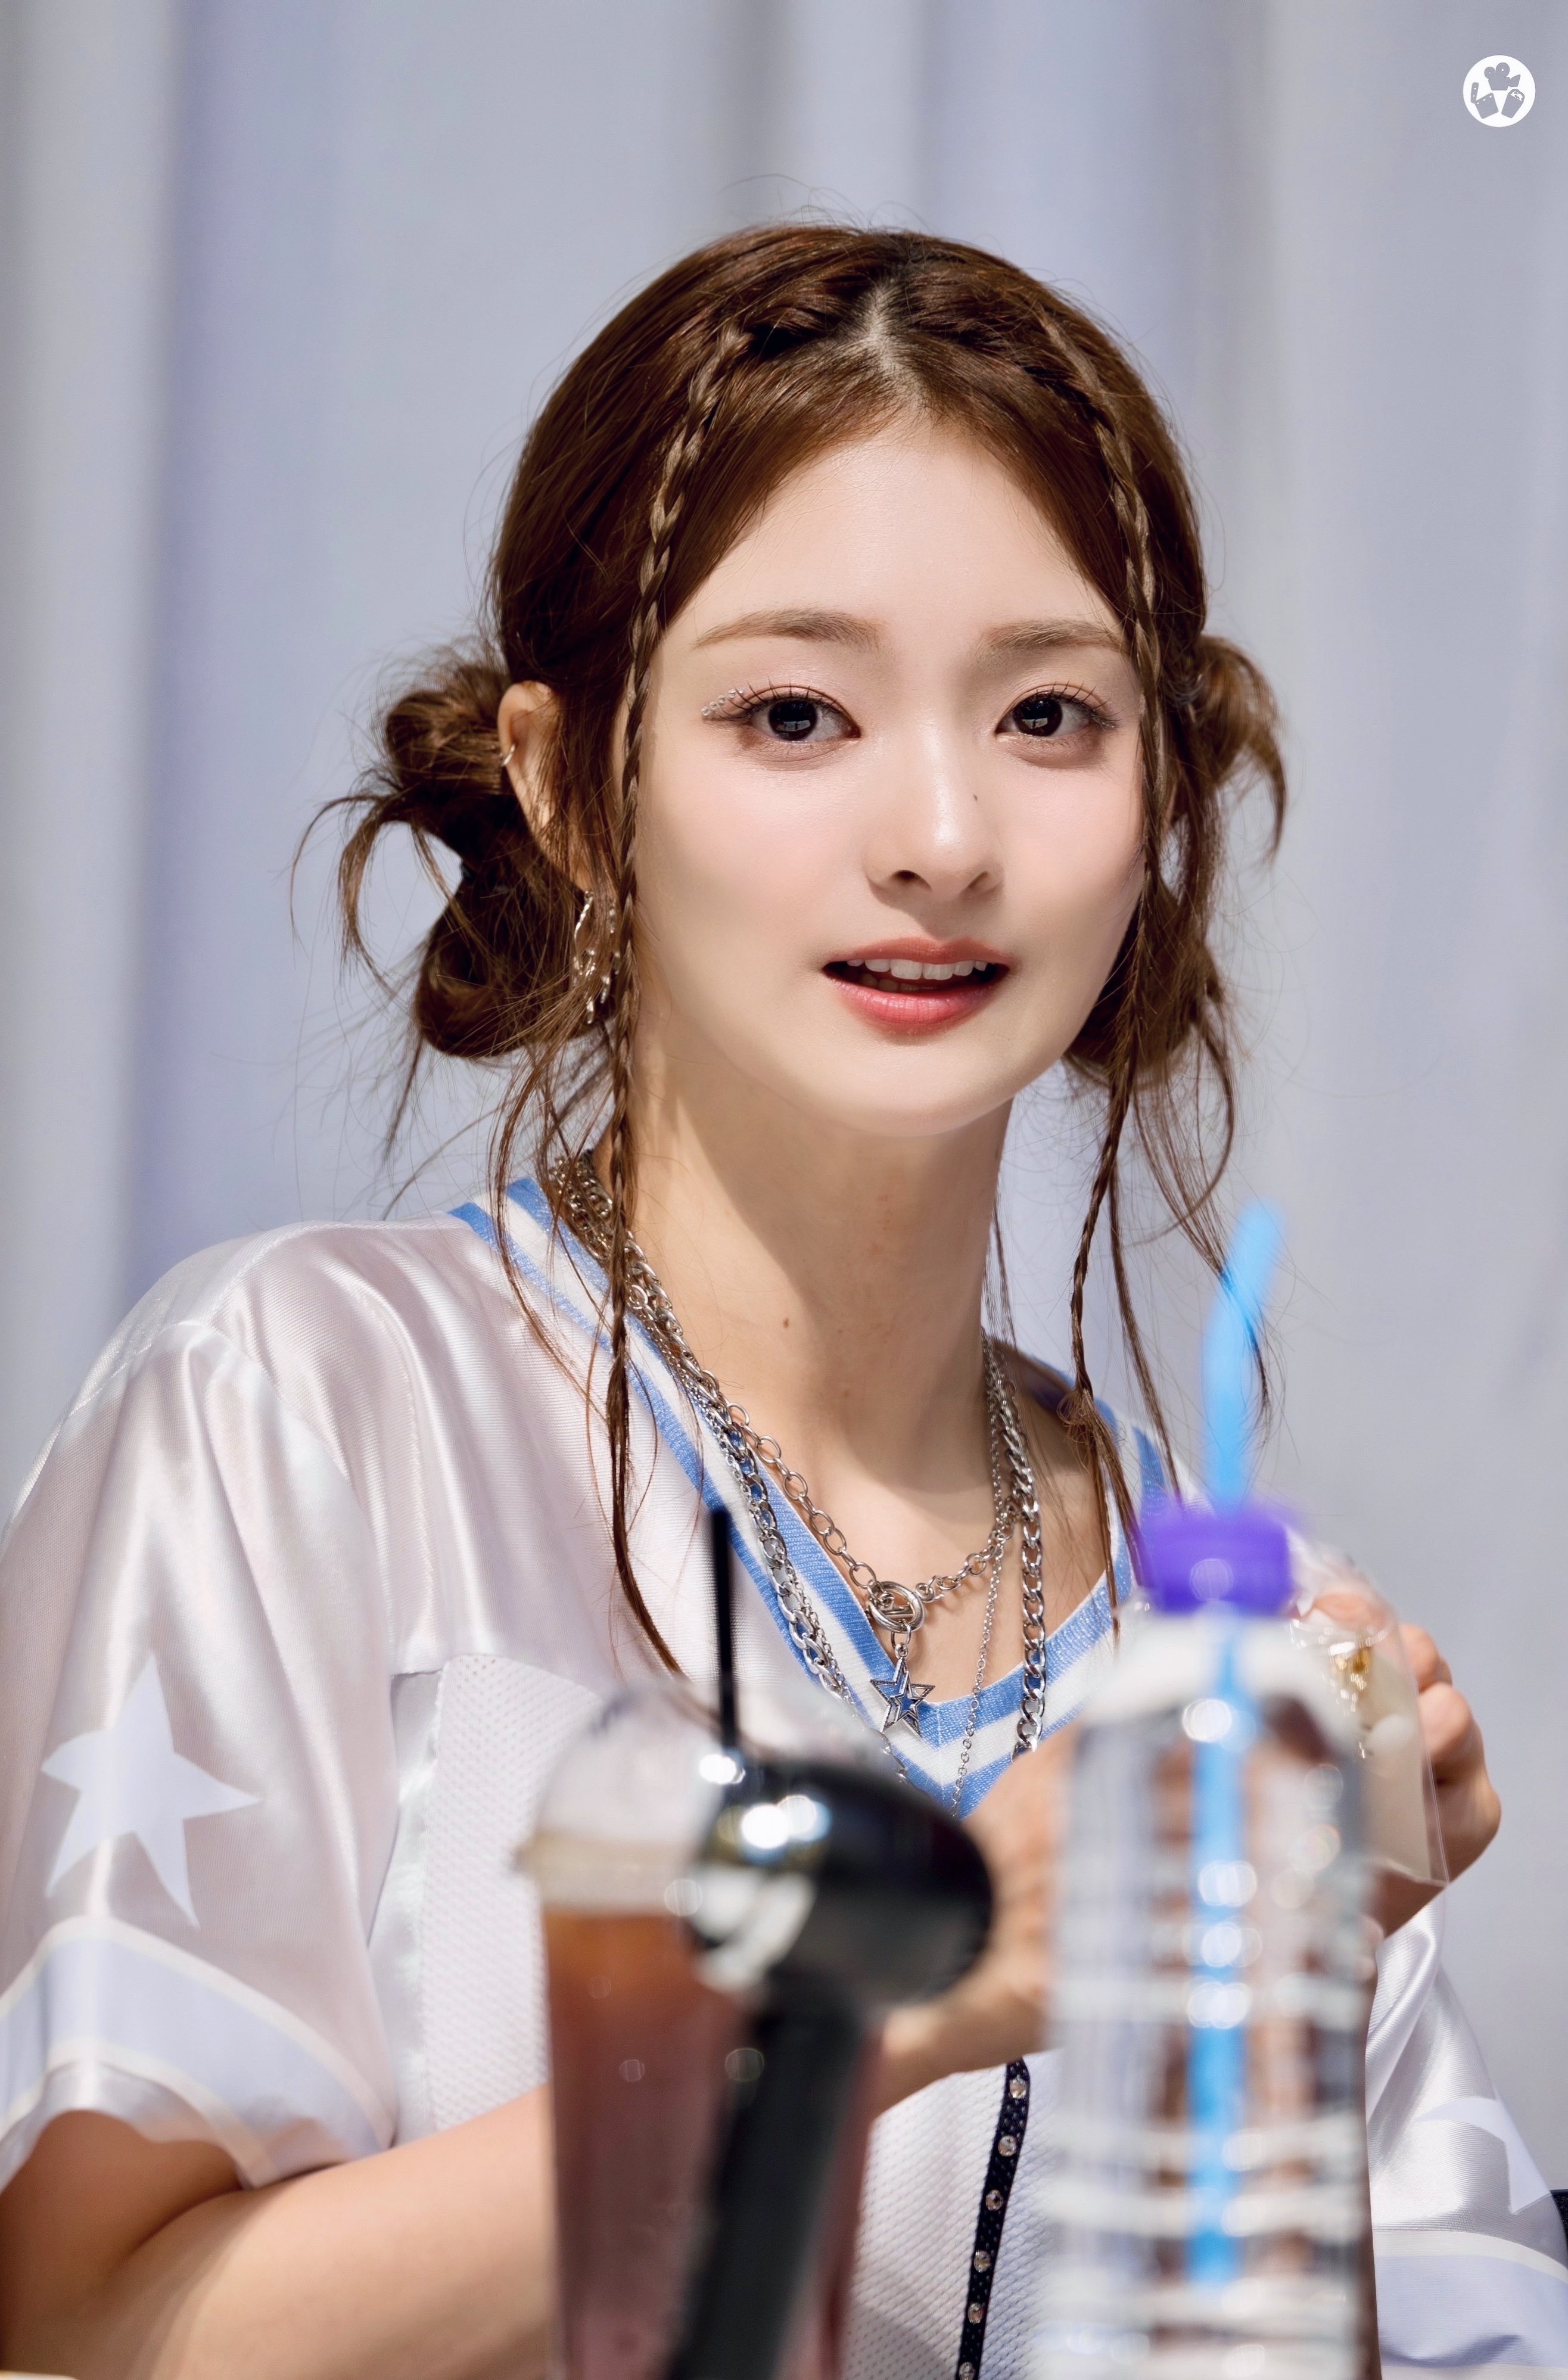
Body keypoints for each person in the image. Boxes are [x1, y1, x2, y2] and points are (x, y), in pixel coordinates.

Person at [0, 225, 1554, 2380]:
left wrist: (1277, 2016)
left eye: (1048, 713)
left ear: (1157, 795)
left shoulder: (1230, 1636)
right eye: (795, 712)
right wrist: (915, 1981)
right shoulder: (300, 1408)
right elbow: (78, 2325)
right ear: (570, 782)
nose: (944, 834)